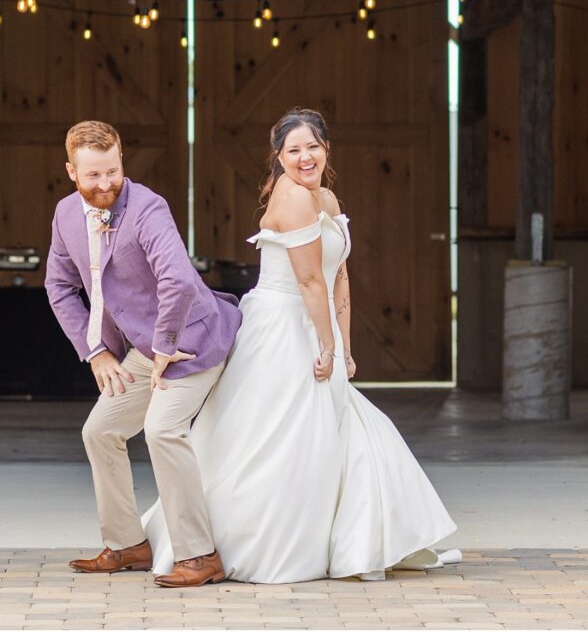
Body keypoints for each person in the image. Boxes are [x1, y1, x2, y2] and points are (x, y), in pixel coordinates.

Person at [141, 108, 459, 583]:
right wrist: (326, 348)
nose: (304, 157)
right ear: (279, 157)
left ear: (326, 149)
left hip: (315, 323)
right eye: (293, 150)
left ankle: (347, 540)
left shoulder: (326, 197)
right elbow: (310, 280)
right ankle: (237, 544)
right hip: (281, 325)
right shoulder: (292, 199)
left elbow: (339, 277)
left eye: (312, 147)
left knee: (334, 430)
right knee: (274, 435)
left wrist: (344, 347)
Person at [45, 120, 242, 587]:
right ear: (72, 171)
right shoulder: (65, 215)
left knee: (161, 430)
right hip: (139, 345)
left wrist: (164, 347)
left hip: (190, 338)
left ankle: (200, 556)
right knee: (99, 431)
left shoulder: (148, 207)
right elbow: (58, 285)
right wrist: (96, 352)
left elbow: (175, 279)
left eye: (113, 171)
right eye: (93, 175)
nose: (106, 184)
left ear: (121, 161)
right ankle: (128, 544)